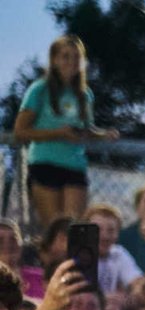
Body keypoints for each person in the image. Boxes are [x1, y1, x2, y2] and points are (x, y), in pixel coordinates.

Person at [15, 36, 116, 229]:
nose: (71, 62)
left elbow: (86, 129)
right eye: (65, 56)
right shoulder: (39, 89)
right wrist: (58, 133)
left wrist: (103, 135)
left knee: (75, 230)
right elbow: (21, 131)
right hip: (45, 163)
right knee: (54, 231)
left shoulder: (84, 94)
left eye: (76, 57)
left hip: (74, 165)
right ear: (54, 60)